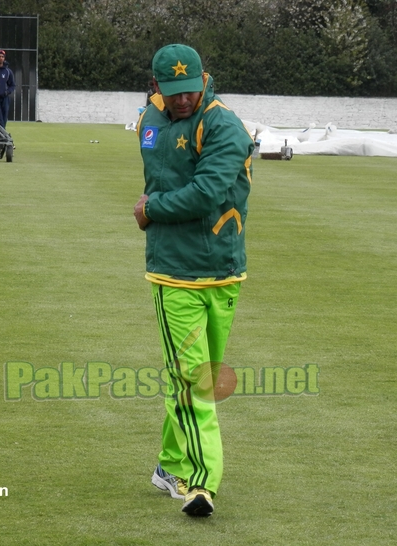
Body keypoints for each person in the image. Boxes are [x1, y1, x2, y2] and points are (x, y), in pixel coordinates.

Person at [133, 44, 254, 517]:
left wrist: (149, 211)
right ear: (156, 85)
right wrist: (154, 203)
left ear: (205, 79)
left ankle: (167, 464)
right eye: (173, 91)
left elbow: (205, 194)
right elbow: (158, 177)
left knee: (191, 381)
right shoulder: (149, 119)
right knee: (195, 383)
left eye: (190, 90)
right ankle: (201, 484)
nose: (183, 100)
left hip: (223, 271)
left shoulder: (224, 125)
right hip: (173, 273)